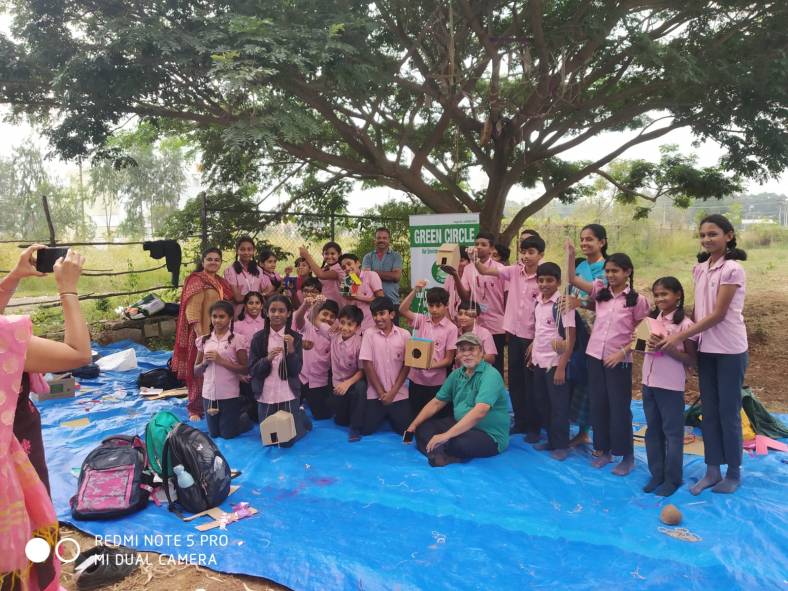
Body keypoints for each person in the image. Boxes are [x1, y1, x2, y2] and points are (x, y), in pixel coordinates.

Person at [1, 247, 91, 591]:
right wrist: (68, 289)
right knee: (24, 529)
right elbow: (78, 354)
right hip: (12, 459)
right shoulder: (5, 338)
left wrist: (13, 278)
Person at [658, 214, 748, 495]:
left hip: (730, 350)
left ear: (728, 236)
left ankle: (733, 473)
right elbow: (698, 311)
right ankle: (712, 470)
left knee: (728, 413)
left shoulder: (732, 269)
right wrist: (691, 348)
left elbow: (718, 314)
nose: (707, 239)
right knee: (709, 413)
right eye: (703, 235)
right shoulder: (699, 269)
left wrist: (679, 336)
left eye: (713, 234)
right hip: (707, 350)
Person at [573, 253, 650, 476]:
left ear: (627, 272)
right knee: (599, 405)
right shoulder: (601, 293)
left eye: (615, 271)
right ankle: (604, 451)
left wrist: (622, 353)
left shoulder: (637, 300)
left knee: (620, 409)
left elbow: (644, 335)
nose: (610, 275)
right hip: (594, 357)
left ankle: (627, 457)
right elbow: (573, 280)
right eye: (607, 271)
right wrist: (570, 256)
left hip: (619, 362)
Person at [474, 235, 544, 441]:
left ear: (541, 255)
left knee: (531, 382)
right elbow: (485, 270)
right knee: (515, 380)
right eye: (523, 252)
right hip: (513, 333)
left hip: (532, 337)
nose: (526, 256)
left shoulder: (543, 278)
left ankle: (534, 426)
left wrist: (537, 340)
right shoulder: (513, 271)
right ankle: (520, 422)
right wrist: (474, 259)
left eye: (531, 252)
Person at [405, 333, 510, 467]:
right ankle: (440, 454)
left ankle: (437, 453)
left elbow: (480, 411)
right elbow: (437, 402)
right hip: (460, 424)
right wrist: (412, 426)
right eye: (462, 350)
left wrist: (446, 435)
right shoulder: (456, 374)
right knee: (422, 428)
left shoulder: (491, 375)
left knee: (457, 442)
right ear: (458, 354)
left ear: (481, 352)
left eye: (471, 349)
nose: (466, 354)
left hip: (488, 434)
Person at [642, 277, 696, 497]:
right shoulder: (651, 320)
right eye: (656, 295)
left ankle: (672, 479)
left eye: (664, 294)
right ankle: (657, 474)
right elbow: (641, 346)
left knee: (672, 433)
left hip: (670, 386)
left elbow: (691, 359)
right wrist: (642, 343)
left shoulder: (686, 325)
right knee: (652, 430)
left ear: (678, 295)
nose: (660, 299)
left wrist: (668, 348)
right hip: (648, 382)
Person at [173, 248, 234, 421]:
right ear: (203, 261)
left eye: (217, 259)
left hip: (218, 333)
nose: (213, 262)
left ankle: (214, 403)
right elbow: (192, 311)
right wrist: (202, 336)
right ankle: (195, 408)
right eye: (210, 259)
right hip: (201, 334)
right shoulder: (197, 281)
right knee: (198, 371)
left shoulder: (220, 282)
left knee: (216, 370)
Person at [563, 224, 608, 448]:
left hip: (595, 333)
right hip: (574, 330)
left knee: (591, 383)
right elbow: (569, 290)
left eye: (589, 239)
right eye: (582, 239)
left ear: (602, 242)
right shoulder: (581, 266)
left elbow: (606, 302)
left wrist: (579, 303)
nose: (584, 243)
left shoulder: (608, 269)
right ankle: (580, 431)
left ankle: (594, 434)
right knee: (577, 379)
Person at [248, 295, 312, 446]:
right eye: (273, 310)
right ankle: (298, 415)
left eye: (281, 311)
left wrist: (291, 350)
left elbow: (295, 370)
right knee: (269, 440)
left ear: (289, 313)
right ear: (266, 312)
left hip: (288, 393)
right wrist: (267, 359)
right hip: (266, 393)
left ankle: (301, 418)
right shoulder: (258, 338)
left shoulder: (295, 338)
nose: (277, 314)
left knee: (287, 441)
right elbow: (252, 370)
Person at [528, 263, 576, 461]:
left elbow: (570, 338)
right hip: (539, 361)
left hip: (555, 363)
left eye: (549, 280)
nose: (544, 284)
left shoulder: (563, 305)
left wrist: (561, 367)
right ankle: (551, 440)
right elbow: (541, 331)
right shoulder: (538, 302)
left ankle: (562, 444)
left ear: (558, 282)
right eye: (541, 280)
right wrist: (533, 352)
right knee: (543, 402)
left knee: (558, 405)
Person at [445, 232, 508, 374]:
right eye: (477, 244)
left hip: (496, 324)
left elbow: (507, 298)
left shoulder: (500, 268)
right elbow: (465, 297)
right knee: (472, 363)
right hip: (475, 324)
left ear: (491, 248)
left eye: (483, 244)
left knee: (494, 364)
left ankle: (494, 387)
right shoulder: (468, 269)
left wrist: (508, 326)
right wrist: (456, 276)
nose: (479, 247)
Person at [194, 301, 252, 439]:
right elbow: (196, 371)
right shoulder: (204, 340)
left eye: (222, 316)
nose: (217, 320)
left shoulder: (237, 340)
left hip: (229, 395)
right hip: (208, 395)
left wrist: (221, 361)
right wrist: (204, 363)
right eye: (214, 316)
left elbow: (246, 369)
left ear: (230, 318)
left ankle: (244, 419)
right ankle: (233, 420)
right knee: (214, 434)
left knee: (227, 435)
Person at [399, 282, 457, 417]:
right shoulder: (422, 320)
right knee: (415, 414)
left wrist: (429, 365)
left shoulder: (451, 328)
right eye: (431, 305)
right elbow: (402, 310)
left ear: (446, 306)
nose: (434, 309)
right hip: (416, 378)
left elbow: (449, 360)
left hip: (437, 381)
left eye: (438, 306)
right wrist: (415, 290)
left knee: (435, 416)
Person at [358, 297, 411, 436]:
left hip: (398, 393)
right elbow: (367, 364)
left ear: (392, 314)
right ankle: (384, 414)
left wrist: (392, 393)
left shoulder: (405, 335)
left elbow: (407, 365)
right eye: (375, 314)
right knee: (365, 430)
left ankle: (390, 415)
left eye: (382, 313)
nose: (378, 318)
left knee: (406, 432)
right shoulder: (369, 334)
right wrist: (381, 393)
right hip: (376, 394)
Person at [315, 304, 367, 441]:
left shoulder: (360, 343)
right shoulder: (333, 334)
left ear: (357, 327)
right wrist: (315, 303)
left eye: (350, 324)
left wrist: (347, 383)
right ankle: (347, 412)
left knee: (361, 387)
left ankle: (355, 428)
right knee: (340, 421)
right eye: (342, 322)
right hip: (337, 386)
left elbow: (363, 371)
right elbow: (315, 319)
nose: (345, 327)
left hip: (353, 384)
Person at [294, 295, 338, 420]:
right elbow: (298, 318)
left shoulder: (333, 334)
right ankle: (299, 408)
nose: (328, 318)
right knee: (289, 412)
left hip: (319, 381)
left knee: (322, 415)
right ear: (317, 314)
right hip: (299, 378)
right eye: (325, 314)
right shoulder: (307, 326)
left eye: (332, 316)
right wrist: (305, 305)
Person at [233, 291, 265, 423]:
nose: (254, 306)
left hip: (266, 369)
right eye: (250, 303)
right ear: (245, 306)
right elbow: (232, 351)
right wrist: (239, 373)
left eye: (257, 303)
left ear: (262, 305)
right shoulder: (237, 326)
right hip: (247, 372)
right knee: (254, 412)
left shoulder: (268, 323)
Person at [362, 227, 403, 318]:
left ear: (389, 240)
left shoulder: (396, 256)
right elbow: (365, 277)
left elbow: (396, 276)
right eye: (379, 238)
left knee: (393, 327)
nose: (381, 240)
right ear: (375, 240)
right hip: (372, 302)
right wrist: (388, 274)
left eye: (384, 238)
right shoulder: (368, 257)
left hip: (392, 302)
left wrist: (373, 273)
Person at [338, 253, 384, 331]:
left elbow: (381, 300)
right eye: (344, 267)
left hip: (371, 324)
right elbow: (346, 300)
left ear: (358, 263)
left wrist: (355, 297)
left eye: (349, 264)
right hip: (354, 326)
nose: (347, 268)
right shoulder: (346, 281)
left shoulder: (371, 275)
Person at [224, 235, 268, 317]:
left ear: (254, 251)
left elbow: (264, 291)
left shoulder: (259, 270)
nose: (246, 252)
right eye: (242, 249)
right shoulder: (230, 271)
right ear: (237, 251)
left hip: (258, 308)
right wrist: (259, 297)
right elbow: (237, 298)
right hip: (240, 309)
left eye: (249, 249)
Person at [455, 300, 497, 367]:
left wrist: (470, 357)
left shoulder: (484, 333)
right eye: (460, 314)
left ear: (476, 317)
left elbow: (491, 358)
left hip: (480, 370)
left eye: (467, 314)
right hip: (460, 371)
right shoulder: (455, 332)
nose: (462, 317)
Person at [442, 246, 469, 323]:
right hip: (451, 322)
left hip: (468, 322)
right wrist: (450, 323)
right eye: (455, 260)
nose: (458, 264)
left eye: (461, 260)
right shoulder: (449, 277)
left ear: (470, 262)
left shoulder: (473, 277)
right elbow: (443, 301)